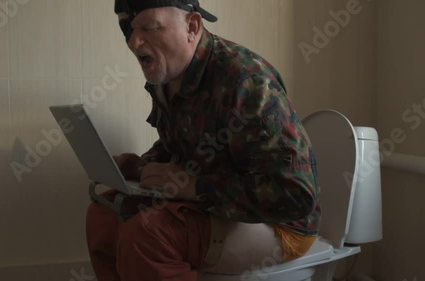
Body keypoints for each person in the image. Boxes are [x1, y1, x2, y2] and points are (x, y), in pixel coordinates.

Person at [86, 0, 321, 280]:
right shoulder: (169, 75)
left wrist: (195, 187)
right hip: (217, 203)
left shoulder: (246, 81)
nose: (134, 42)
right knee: (103, 214)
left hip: (282, 224)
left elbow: (295, 195)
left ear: (192, 26)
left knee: (148, 232)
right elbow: (187, 141)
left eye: (149, 27)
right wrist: (140, 167)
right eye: (128, 28)